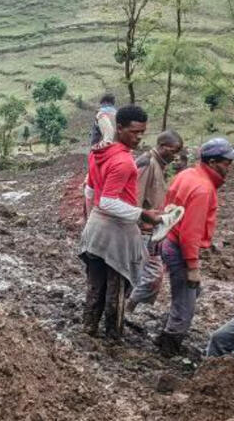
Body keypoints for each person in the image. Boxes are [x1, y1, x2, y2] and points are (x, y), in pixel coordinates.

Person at [78, 105, 162, 341]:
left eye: (142, 132)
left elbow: (90, 190)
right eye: (134, 132)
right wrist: (143, 214)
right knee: (116, 289)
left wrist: (90, 221)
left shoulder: (97, 153)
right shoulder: (124, 161)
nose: (139, 137)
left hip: (96, 229)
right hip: (115, 233)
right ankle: (113, 338)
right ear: (120, 128)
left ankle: (88, 329)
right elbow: (108, 202)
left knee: (95, 284)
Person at [155, 138, 232, 356]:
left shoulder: (187, 174)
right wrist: (193, 266)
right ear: (213, 162)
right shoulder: (203, 189)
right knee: (186, 305)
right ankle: (168, 348)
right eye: (226, 163)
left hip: (169, 240)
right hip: (180, 248)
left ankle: (167, 329)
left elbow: (168, 205)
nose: (229, 167)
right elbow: (191, 233)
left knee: (191, 293)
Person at [127, 131, 184, 314]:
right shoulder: (147, 163)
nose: (175, 157)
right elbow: (135, 200)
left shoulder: (158, 165)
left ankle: (127, 309)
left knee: (145, 274)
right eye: (173, 151)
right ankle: (127, 308)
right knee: (150, 275)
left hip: (151, 229)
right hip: (141, 230)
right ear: (162, 146)